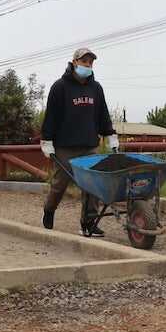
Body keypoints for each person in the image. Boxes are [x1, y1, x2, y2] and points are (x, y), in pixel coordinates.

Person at [40, 47, 119, 236]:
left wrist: (110, 135)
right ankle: (49, 209)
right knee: (60, 184)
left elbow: (102, 114)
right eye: (84, 62)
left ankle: (88, 222)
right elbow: (51, 116)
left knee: (92, 185)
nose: (88, 65)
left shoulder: (96, 88)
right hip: (65, 146)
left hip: (90, 144)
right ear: (75, 62)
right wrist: (47, 140)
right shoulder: (60, 87)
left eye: (91, 63)